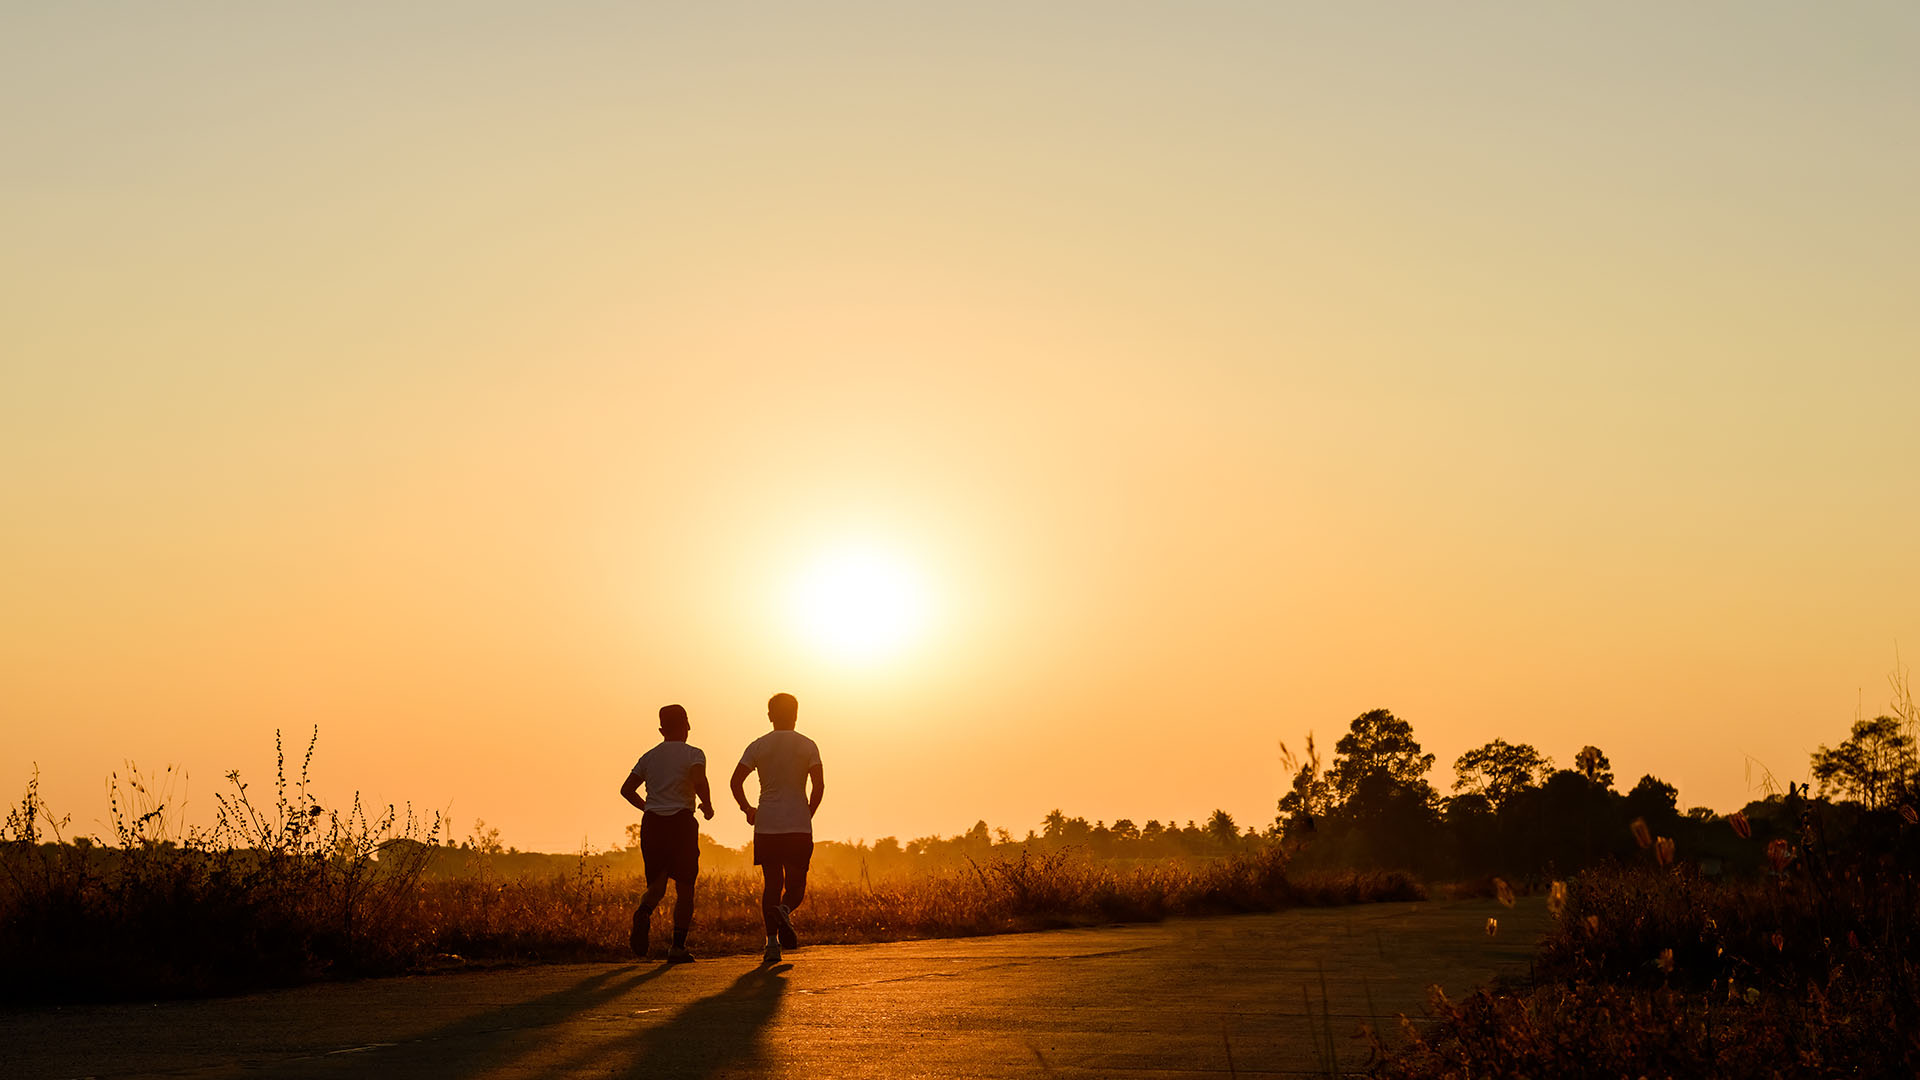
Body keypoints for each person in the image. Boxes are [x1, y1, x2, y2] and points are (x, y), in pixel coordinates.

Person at [730, 692, 824, 964]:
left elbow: (736, 781)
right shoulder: (808, 745)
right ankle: (784, 909)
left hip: (767, 823)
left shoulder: (758, 746)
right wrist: (809, 814)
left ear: (770, 715)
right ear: (796, 715)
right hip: (797, 824)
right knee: (796, 886)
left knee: (771, 883)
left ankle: (771, 945)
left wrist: (748, 809)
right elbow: (818, 786)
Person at [620, 703, 714, 963]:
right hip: (681, 823)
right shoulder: (694, 753)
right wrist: (707, 805)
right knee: (685, 889)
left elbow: (627, 789)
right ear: (687, 726)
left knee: (657, 886)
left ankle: (644, 911)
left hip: (653, 823)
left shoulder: (649, 757)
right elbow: (698, 779)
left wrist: (648, 807)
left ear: (661, 729)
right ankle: (677, 947)